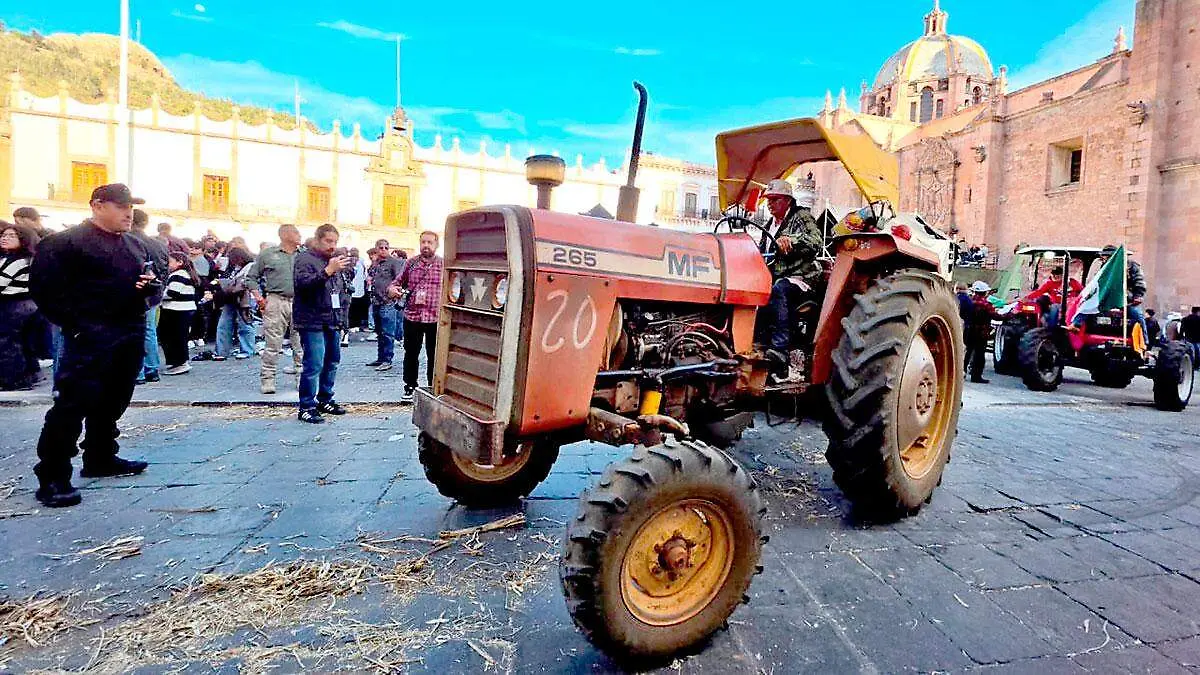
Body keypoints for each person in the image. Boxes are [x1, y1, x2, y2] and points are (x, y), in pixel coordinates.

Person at [29, 183, 160, 508]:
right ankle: (53, 475)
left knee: (114, 398)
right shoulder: (64, 243)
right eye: (120, 206)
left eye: (130, 206)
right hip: (88, 334)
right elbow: (45, 290)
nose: (128, 212)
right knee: (73, 403)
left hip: (128, 330)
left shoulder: (134, 244)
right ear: (97, 205)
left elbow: (143, 284)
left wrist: (147, 290)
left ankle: (100, 456)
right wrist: (77, 324)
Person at [757, 179, 824, 382]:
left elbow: (816, 241)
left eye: (775, 199)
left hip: (801, 278)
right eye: (768, 199)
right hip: (776, 277)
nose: (770, 203)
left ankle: (780, 350)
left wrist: (792, 241)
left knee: (780, 288)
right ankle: (757, 348)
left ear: (787, 200)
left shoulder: (801, 216)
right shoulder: (769, 225)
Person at [293, 223, 351, 423]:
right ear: (317, 240)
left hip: (331, 319)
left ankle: (325, 398)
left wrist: (342, 319)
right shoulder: (304, 259)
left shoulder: (333, 261)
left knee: (332, 361)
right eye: (328, 241)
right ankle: (306, 406)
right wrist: (327, 271)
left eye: (335, 241)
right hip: (311, 320)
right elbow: (304, 285)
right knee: (314, 363)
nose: (332, 246)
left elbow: (340, 292)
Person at [246, 224, 305, 394]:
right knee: (273, 343)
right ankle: (268, 379)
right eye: (296, 232)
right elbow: (251, 278)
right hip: (275, 300)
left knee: (300, 343)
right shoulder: (268, 254)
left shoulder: (304, 255)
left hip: (300, 301)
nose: (299, 235)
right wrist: (259, 298)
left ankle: (302, 378)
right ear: (285, 235)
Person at [390, 231, 443, 402]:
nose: (426, 245)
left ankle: (432, 387)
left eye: (430, 242)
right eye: (423, 242)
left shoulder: (444, 265)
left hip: (436, 318)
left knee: (434, 355)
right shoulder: (410, 264)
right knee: (411, 353)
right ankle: (410, 386)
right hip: (413, 316)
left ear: (437, 245)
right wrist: (392, 290)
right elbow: (396, 283)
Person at [130, 208, 169, 384]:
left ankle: (138, 373)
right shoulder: (159, 244)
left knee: (135, 332)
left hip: (135, 293)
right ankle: (152, 369)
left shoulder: (128, 241)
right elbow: (164, 270)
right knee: (150, 331)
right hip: (154, 293)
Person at [0, 222, 40, 390]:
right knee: (22, 342)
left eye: (11, 236)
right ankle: (28, 375)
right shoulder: (13, 259)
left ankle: (10, 380)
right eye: (3, 235)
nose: (4, 239)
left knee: (7, 342)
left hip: (14, 305)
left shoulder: (18, 261)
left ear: (23, 240)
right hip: (23, 305)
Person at [212, 246, 257, 360]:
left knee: (244, 324)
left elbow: (245, 282)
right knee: (225, 324)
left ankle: (246, 350)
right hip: (234, 297)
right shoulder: (239, 268)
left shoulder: (250, 267)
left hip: (244, 298)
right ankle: (222, 351)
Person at [366, 244, 406, 371]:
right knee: (379, 331)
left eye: (386, 247)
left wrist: (394, 295)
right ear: (376, 249)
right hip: (376, 301)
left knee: (388, 332)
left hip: (388, 302)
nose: (383, 250)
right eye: (381, 247)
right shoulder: (376, 263)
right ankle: (381, 358)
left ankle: (387, 360)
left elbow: (399, 280)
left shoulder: (394, 262)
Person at [159, 251, 200, 375]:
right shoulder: (186, 274)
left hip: (176, 310)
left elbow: (172, 293)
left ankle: (179, 362)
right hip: (184, 309)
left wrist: (158, 295)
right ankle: (178, 362)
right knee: (178, 337)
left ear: (179, 262)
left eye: (170, 262)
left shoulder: (178, 275)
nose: (168, 264)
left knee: (173, 337)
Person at [964, 280, 1000, 384]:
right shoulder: (986, 305)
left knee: (967, 353)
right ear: (985, 293)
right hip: (982, 333)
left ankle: (962, 372)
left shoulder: (969, 302)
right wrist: (1011, 315)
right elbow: (996, 316)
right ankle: (976, 376)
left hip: (969, 330)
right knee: (979, 355)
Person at [348, 247, 369, 332]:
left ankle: (356, 324)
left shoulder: (361, 262)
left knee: (356, 307)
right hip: (351, 288)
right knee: (351, 308)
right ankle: (351, 325)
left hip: (359, 289)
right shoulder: (348, 262)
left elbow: (365, 275)